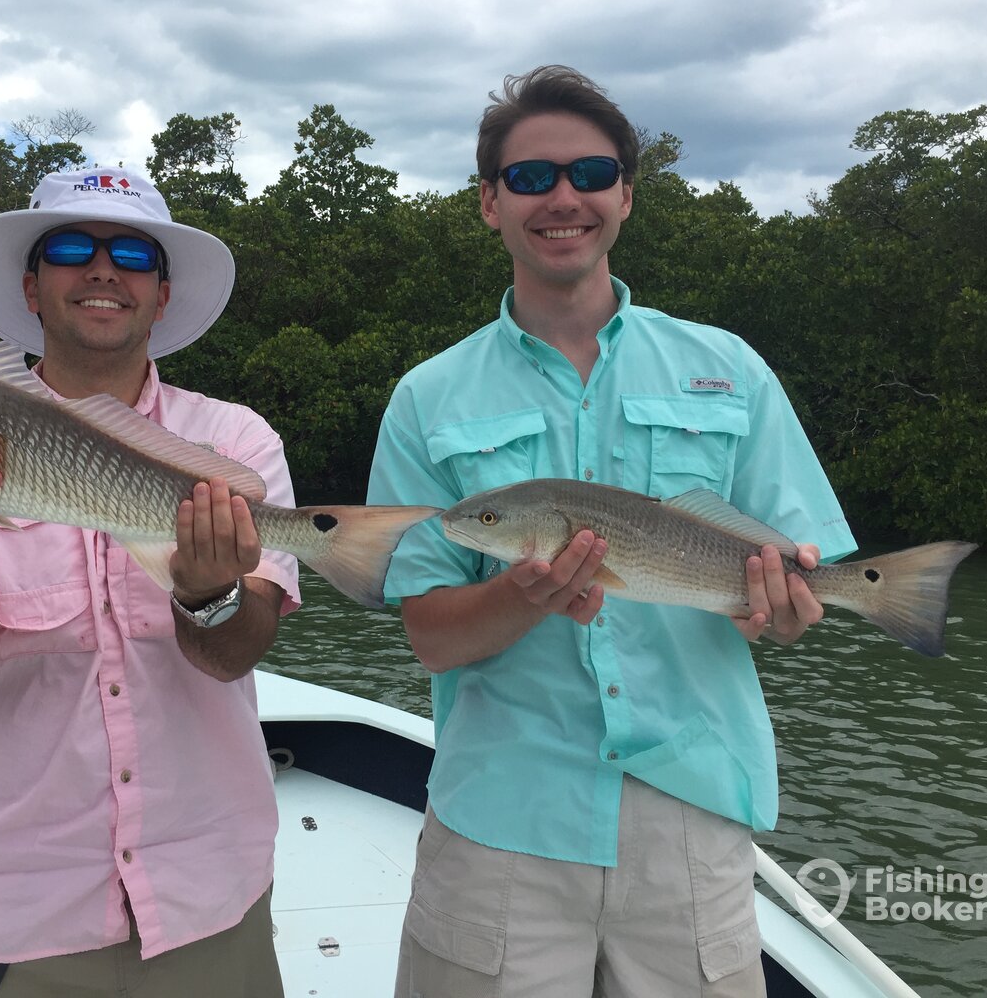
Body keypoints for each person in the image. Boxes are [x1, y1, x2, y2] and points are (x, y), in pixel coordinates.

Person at [367, 66, 859, 997]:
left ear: (626, 195)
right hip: (501, 822)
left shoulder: (730, 369)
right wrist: (522, 594)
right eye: (529, 178)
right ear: (488, 203)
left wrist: (784, 611)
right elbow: (429, 635)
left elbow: (796, 604)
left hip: (694, 815)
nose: (563, 197)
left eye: (590, 173)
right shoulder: (427, 398)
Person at [0, 168, 297, 997]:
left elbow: (236, 652)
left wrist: (210, 595)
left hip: (205, 899)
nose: (102, 269)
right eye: (69, 249)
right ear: (31, 286)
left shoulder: (233, 443)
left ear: (161, 294)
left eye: (132, 252)